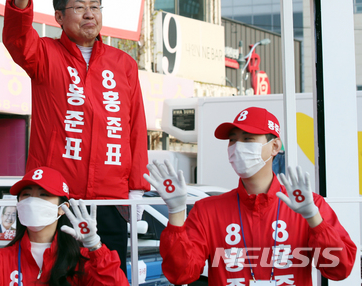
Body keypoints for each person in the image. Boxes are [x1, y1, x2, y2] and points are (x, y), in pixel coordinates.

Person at [3, 0, 149, 271]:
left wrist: (137, 188)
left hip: (111, 201)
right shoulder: (44, 54)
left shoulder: (123, 64)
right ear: (58, 16)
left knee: (107, 275)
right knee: (57, 276)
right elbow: (16, 40)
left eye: (95, 7)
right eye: (79, 7)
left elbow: (136, 127)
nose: (89, 14)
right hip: (57, 200)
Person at [145, 106, 357, 286]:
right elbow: (181, 274)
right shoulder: (207, 210)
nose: (237, 148)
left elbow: (340, 269)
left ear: (274, 146)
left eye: (248, 139)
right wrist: (176, 212)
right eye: (232, 140)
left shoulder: (310, 205)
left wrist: (314, 219)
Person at [0, 166, 128, 285]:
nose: (32, 201)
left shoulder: (82, 262)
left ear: (63, 208)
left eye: (44, 195)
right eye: (26, 194)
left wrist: (95, 246)